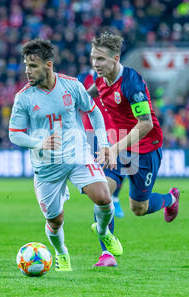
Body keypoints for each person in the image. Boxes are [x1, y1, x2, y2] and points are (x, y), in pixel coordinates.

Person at [9, 39, 122, 271]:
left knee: (104, 198)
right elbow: (15, 135)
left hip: (78, 156)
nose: (27, 71)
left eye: (33, 66)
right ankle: (61, 253)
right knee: (55, 220)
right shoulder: (24, 97)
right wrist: (38, 142)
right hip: (46, 166)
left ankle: (102, 231)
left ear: (48, 65)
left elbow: (94, 112)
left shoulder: (71, 86)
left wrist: (103, 144)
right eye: (26, 65)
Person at [88, 32, 181, 264]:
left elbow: (146, 124)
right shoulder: (99, 78)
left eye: (100, 59)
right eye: (93, 58)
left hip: (145, 147)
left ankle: (170, 199)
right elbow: (91, 93)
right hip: (116, 146)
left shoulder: (132, 83)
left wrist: (115, 148)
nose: (95, 64)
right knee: (103, 195)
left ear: (116, 58)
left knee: (139, 208)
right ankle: (107, 252)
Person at [78, 69, 125, 219]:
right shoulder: (83, 77)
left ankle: (114, 199)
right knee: (100, 168)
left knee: (124, 166)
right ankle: (104, 200)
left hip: (115, 128)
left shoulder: (118, 77)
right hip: (92, 130)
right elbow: (78, 101)